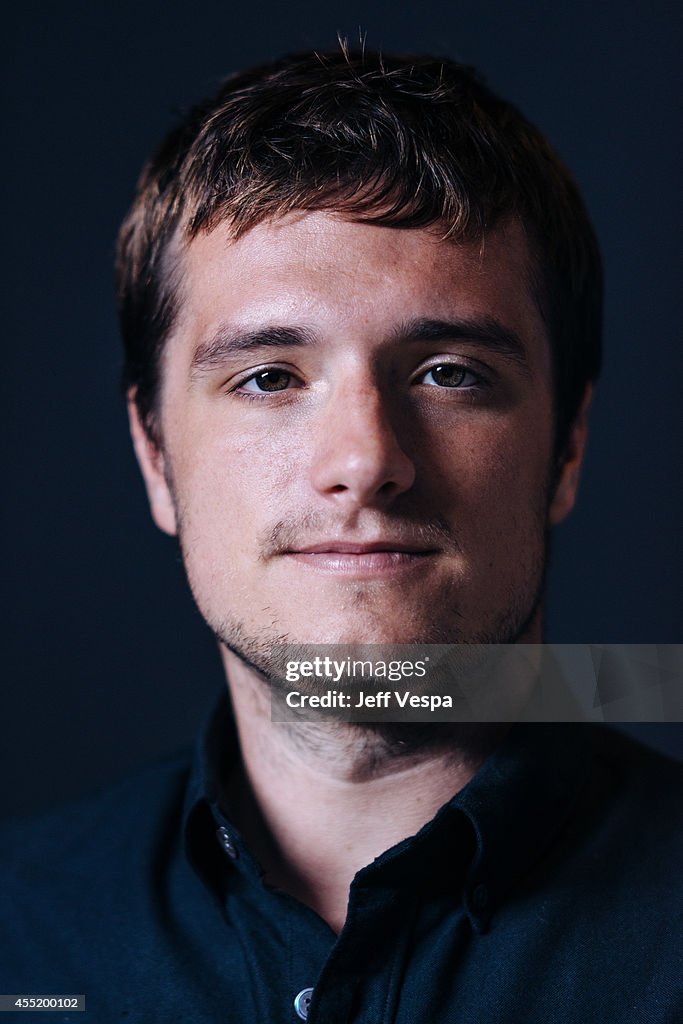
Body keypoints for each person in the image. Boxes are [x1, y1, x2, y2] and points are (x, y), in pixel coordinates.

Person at [1, 48, 681, 1023]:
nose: (363, 460)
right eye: (269, 376)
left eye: (449, 372)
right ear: (155, 457)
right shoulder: (19, 928)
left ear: (565, 448)